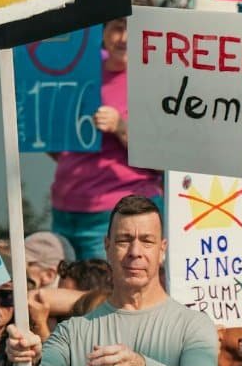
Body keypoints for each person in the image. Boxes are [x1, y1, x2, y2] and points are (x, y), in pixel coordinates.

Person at [5, 195, 218, 366]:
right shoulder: (75, 329)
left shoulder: (193, 324)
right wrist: (28, 359)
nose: (135, 251)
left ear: (162, 249)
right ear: (107, 247)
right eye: (123, 240)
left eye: (147, 241)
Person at [50, 17, 162, 260]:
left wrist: (120, 128)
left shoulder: (158, 78)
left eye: (133, 29)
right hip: (65, 209)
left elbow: (166, 159)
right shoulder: (79, 71)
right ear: (103, 32)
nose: (124, 38)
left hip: (116, 214)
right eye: (117, 28)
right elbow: (56, 146)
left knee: (106, 294)